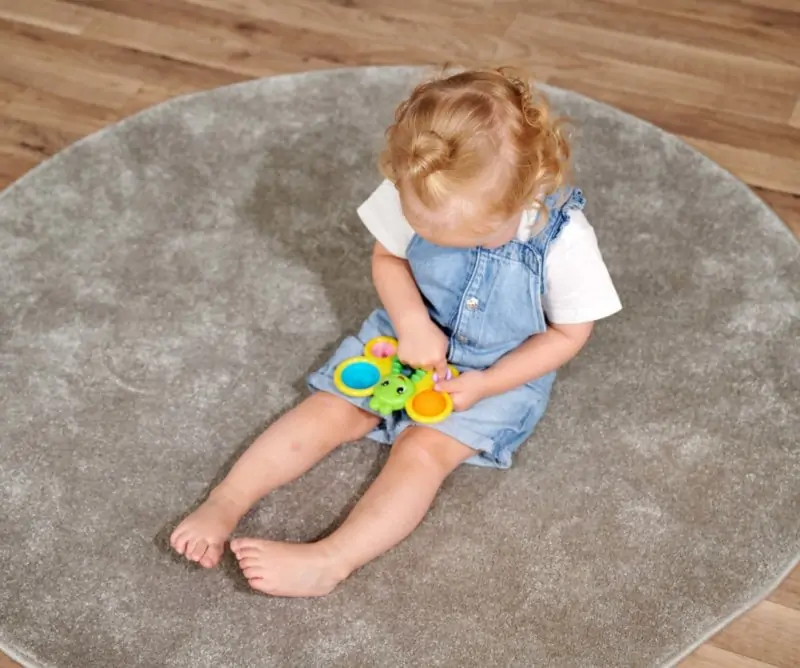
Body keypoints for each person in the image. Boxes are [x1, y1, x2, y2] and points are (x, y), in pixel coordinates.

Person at [170, 67, 622, 597]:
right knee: (330, 408)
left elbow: (568, 335)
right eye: (428, 231)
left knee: (421, 450)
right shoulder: (420, 178)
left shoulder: (564, 240)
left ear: (527, 191)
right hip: (406, 331)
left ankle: (331, 560)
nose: (440, 243)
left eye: (471, 237)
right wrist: (412, 324)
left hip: (501, 368)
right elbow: (388, 258)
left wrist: (485, 384)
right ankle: (225, 502)